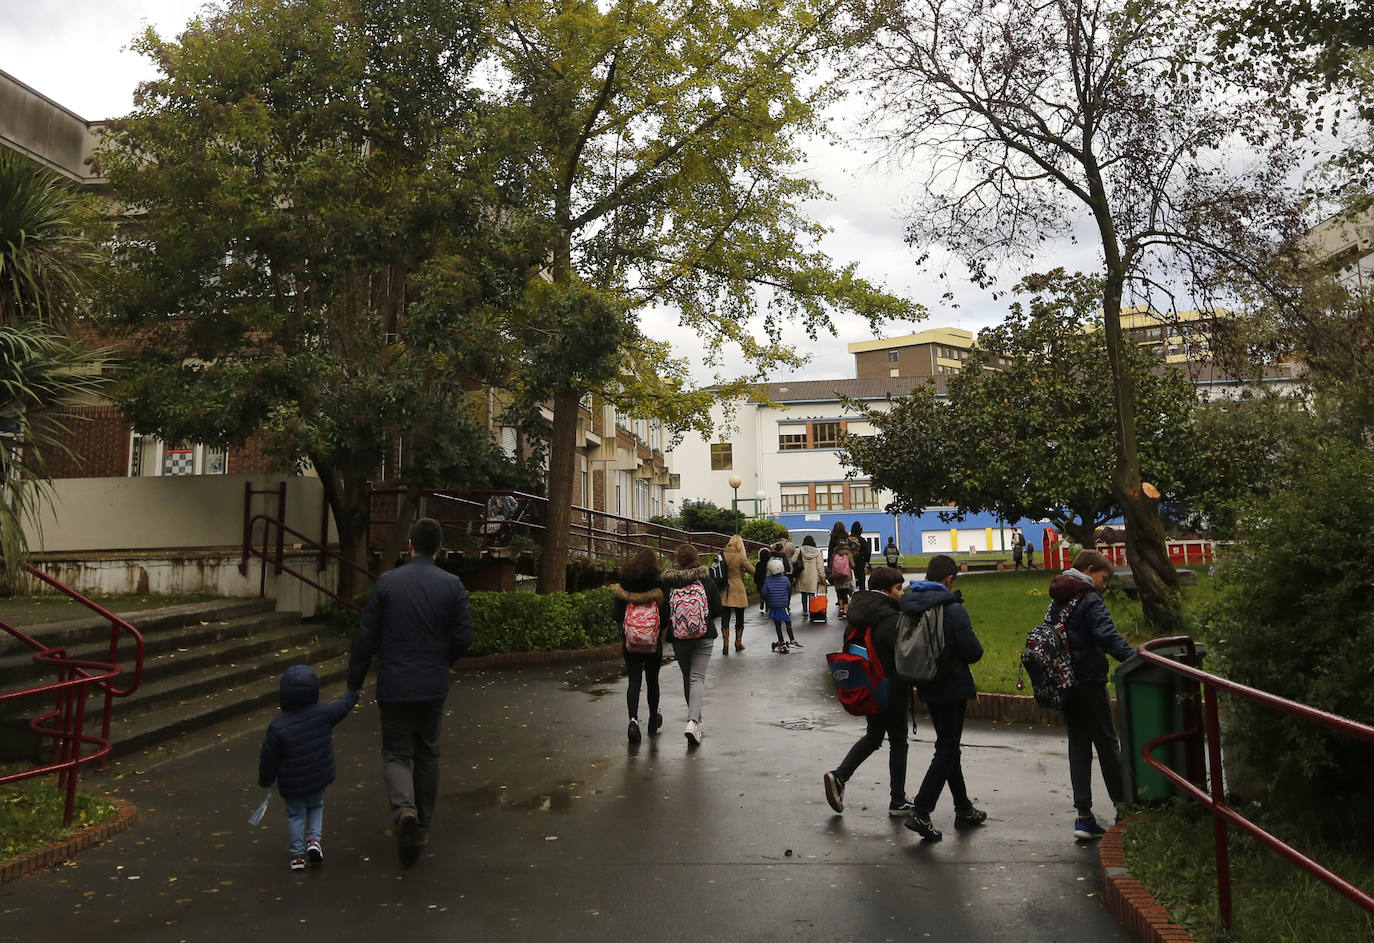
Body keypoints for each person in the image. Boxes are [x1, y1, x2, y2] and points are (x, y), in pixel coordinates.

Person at [348, 517, 474, 867]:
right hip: (433, 684)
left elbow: (366, 637)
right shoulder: (452, 585)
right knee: (428, 753)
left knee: (397, 753)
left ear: (410, 545)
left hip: (394, 684)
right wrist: (443, 660)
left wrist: (354, 683)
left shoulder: (387, 583)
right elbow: (464, 635)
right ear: (439, 548)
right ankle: (423, 824)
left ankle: (404, 811)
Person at [1049, 549, 1135, 840]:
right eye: (1103, 577)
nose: (1104, 584)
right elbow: (1106, 635)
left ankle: (1083, 816)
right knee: (1108, 746)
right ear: (1089, 570)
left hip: (1064, 682)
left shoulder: (1059, 597)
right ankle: (1125, 809)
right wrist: (1135, 658)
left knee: (1079, 747)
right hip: (1089, 681)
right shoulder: (1088, 598)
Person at [901, 554, 988, 841]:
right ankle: (922, 811)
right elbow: (973, 651)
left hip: (926, 682)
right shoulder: (951, 608)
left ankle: (963, 808)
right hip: (952, 686)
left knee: (948, 746)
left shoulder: (912, 604)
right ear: (949, 580)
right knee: (948, 749)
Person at [822, 566, 915, 817]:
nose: (901, 593)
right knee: (898, 741)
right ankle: (898, 800)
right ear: (885, 591)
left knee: (874, 736)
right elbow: (903, 651)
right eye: (898, 588)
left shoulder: (858, 612)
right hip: (891, 687)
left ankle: (839, 776)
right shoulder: (889, 618)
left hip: (869, 686)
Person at [258, 665, 359, 870]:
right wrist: (353, 693)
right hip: (317, 776)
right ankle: (314, 841)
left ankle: (297, 856)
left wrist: (266, 778)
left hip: (292, 782)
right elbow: (342, 706)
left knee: (296, 815)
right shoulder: (324, 713)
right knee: (315, 806)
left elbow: (269, 756)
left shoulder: (278, 726)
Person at [663, 544, 723, 746]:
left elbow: (665, 612)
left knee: (687, 677)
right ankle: (693, 721)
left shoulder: (671, 582)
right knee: (697, 678)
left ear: (678, 560)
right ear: (696, 557)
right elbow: (717, 608)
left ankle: (695, 719)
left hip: (679, 637)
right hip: (703, 635)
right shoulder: (705, 579)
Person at [612, 549, 669, 744]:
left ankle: (633, 721)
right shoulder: (659, 583)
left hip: (631, 641)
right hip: (653, 642)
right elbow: (666, 614)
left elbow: (617, 615)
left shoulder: (625, 581)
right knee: (652, 681)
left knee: (634, 681)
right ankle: (653, 719)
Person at [719, 534, 751, 654]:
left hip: (724, 590)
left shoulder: (721, 555)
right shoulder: (740, 557)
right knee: (740, 616)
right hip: (738, 589)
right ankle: (738, 642)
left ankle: (725, 644)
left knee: (725, 616)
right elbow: (752, 570)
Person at [760, 556, 797, 653]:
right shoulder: (785, 579)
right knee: (787, 622)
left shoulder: (767, 581)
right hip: (783, 605)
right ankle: (792, 640)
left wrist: (768, 599)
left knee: (778, 624)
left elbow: (763, 593)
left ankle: (781, 640)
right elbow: (789, 589)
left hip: (773, 606)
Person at [794, 535, 826, 615]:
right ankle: (812, 610)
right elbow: (820, 566)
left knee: (803, 593)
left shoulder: (799, 550)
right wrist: (823, 577)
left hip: (802, 575)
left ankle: (805, 610)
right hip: (813, 576)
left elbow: (793, 560)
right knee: (811, 593)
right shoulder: (817, 552)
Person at [831, 542, 856, 620]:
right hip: (846, 576)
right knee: (845, 593)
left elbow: (831, 563)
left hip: (837, 577)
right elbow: (852, 565)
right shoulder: (848, 553)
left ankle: (841, 609)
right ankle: (845, 612)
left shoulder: (835, 553)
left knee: (839, 593)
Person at [849, 521, 872, 593]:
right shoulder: (861, 540)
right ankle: (862, 595)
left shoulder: (848, 539)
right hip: (860, 562)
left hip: (849, 563)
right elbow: (868, 551)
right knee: (861, 580)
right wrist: (867, 561)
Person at [754, 547, 773, 615]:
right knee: (768, 595)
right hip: (768, 581)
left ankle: (762, 601)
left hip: (760, 581)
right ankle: (767, 607)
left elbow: (756, 574)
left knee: (761, 593)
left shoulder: (758, 564)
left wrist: (755, 580)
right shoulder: (770, 564)